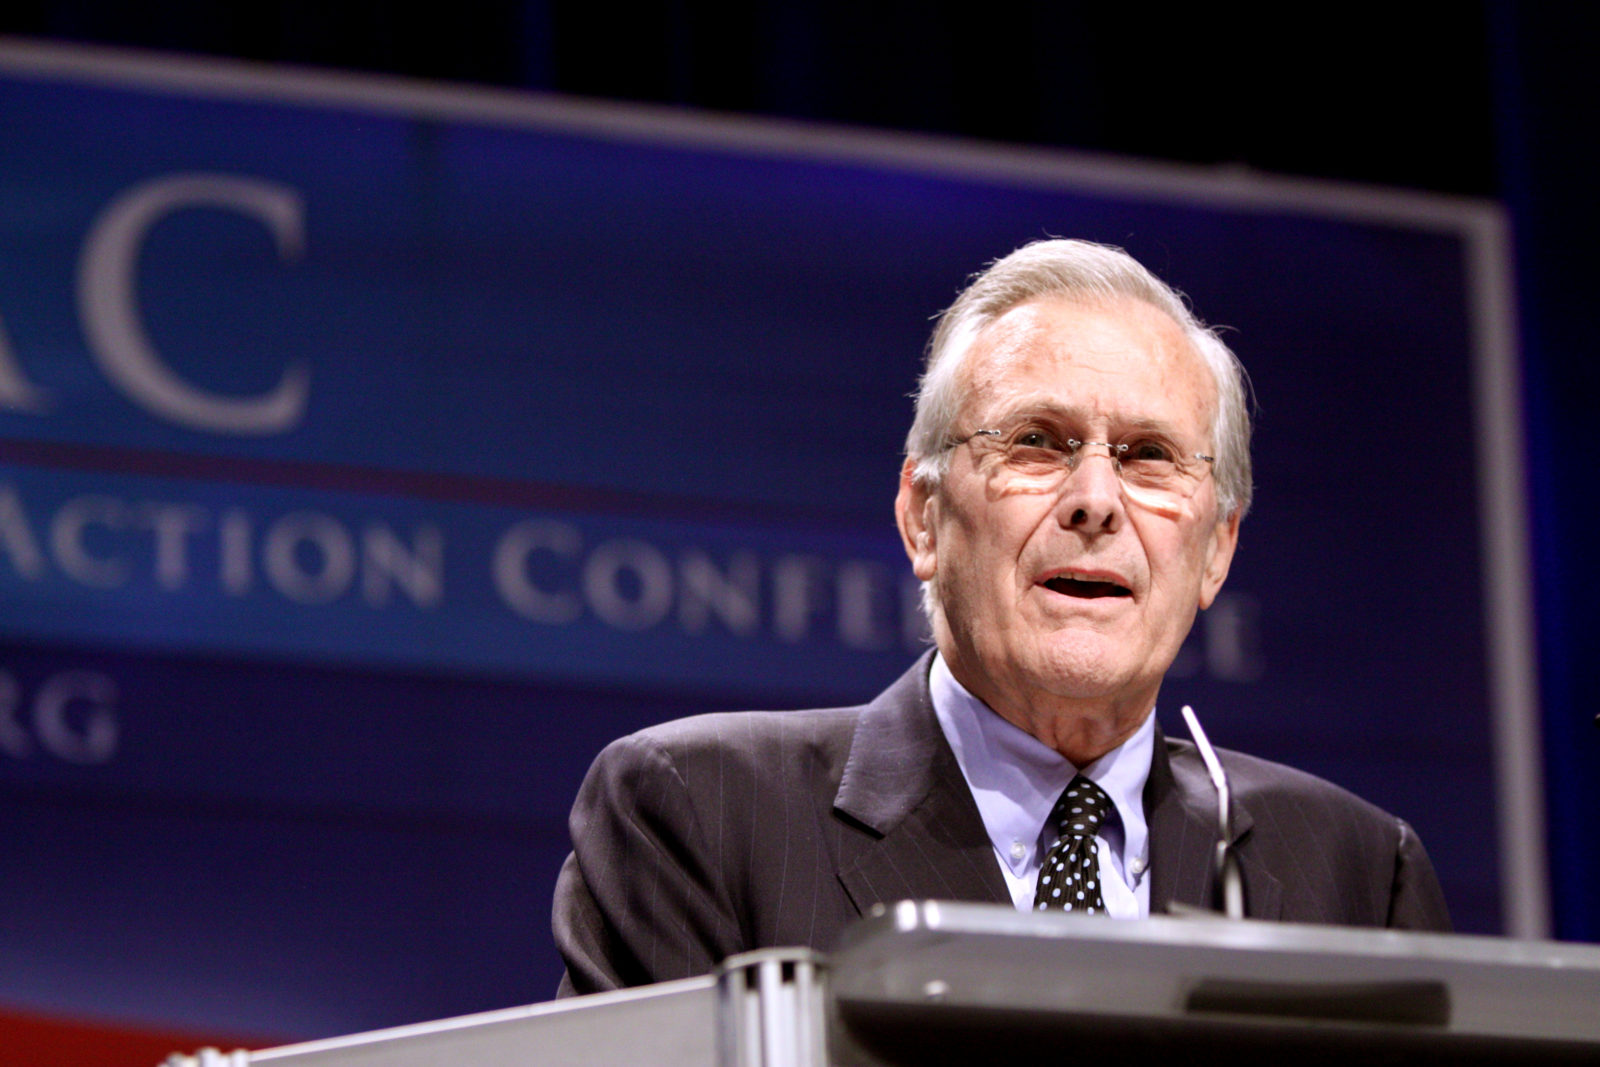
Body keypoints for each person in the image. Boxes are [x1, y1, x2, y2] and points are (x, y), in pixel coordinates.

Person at [552, 239, 1451, 996]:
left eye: (1148, 457)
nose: (1096, 500)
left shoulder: (1359, 872)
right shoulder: (698, 813)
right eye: (1036, 442)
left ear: (1216, 549)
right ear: (923, 519)